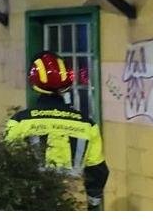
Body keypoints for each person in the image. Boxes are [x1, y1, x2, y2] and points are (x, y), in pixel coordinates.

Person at [6, 51, 109, 211]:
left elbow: (7, 165)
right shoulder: (87, 125)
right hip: (73, 203)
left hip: (31, 202)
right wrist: (92, 205)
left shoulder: (19, 121)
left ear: (33, 83)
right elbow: (98, 171)